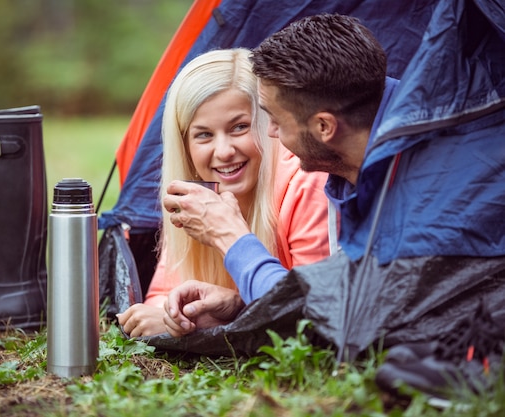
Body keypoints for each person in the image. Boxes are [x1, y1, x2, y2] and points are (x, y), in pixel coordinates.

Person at [162, 14, 398, 337]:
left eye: (271, 119)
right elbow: (328, 304)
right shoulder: (350, 172)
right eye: (203, 135)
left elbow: (324, 322)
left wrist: (229, 237)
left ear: (324, 127)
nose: (271, 133)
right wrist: (239, 310)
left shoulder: (414, 180)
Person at [116, 48, 331, 337]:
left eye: (239, 127)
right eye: (203, 134)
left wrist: (235, 310)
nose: (225, 152)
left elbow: (314, 317)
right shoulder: (193, 199)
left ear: (267, 123)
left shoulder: (307, 182)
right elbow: (161, 296)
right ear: (186, 147)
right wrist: (173, 317)